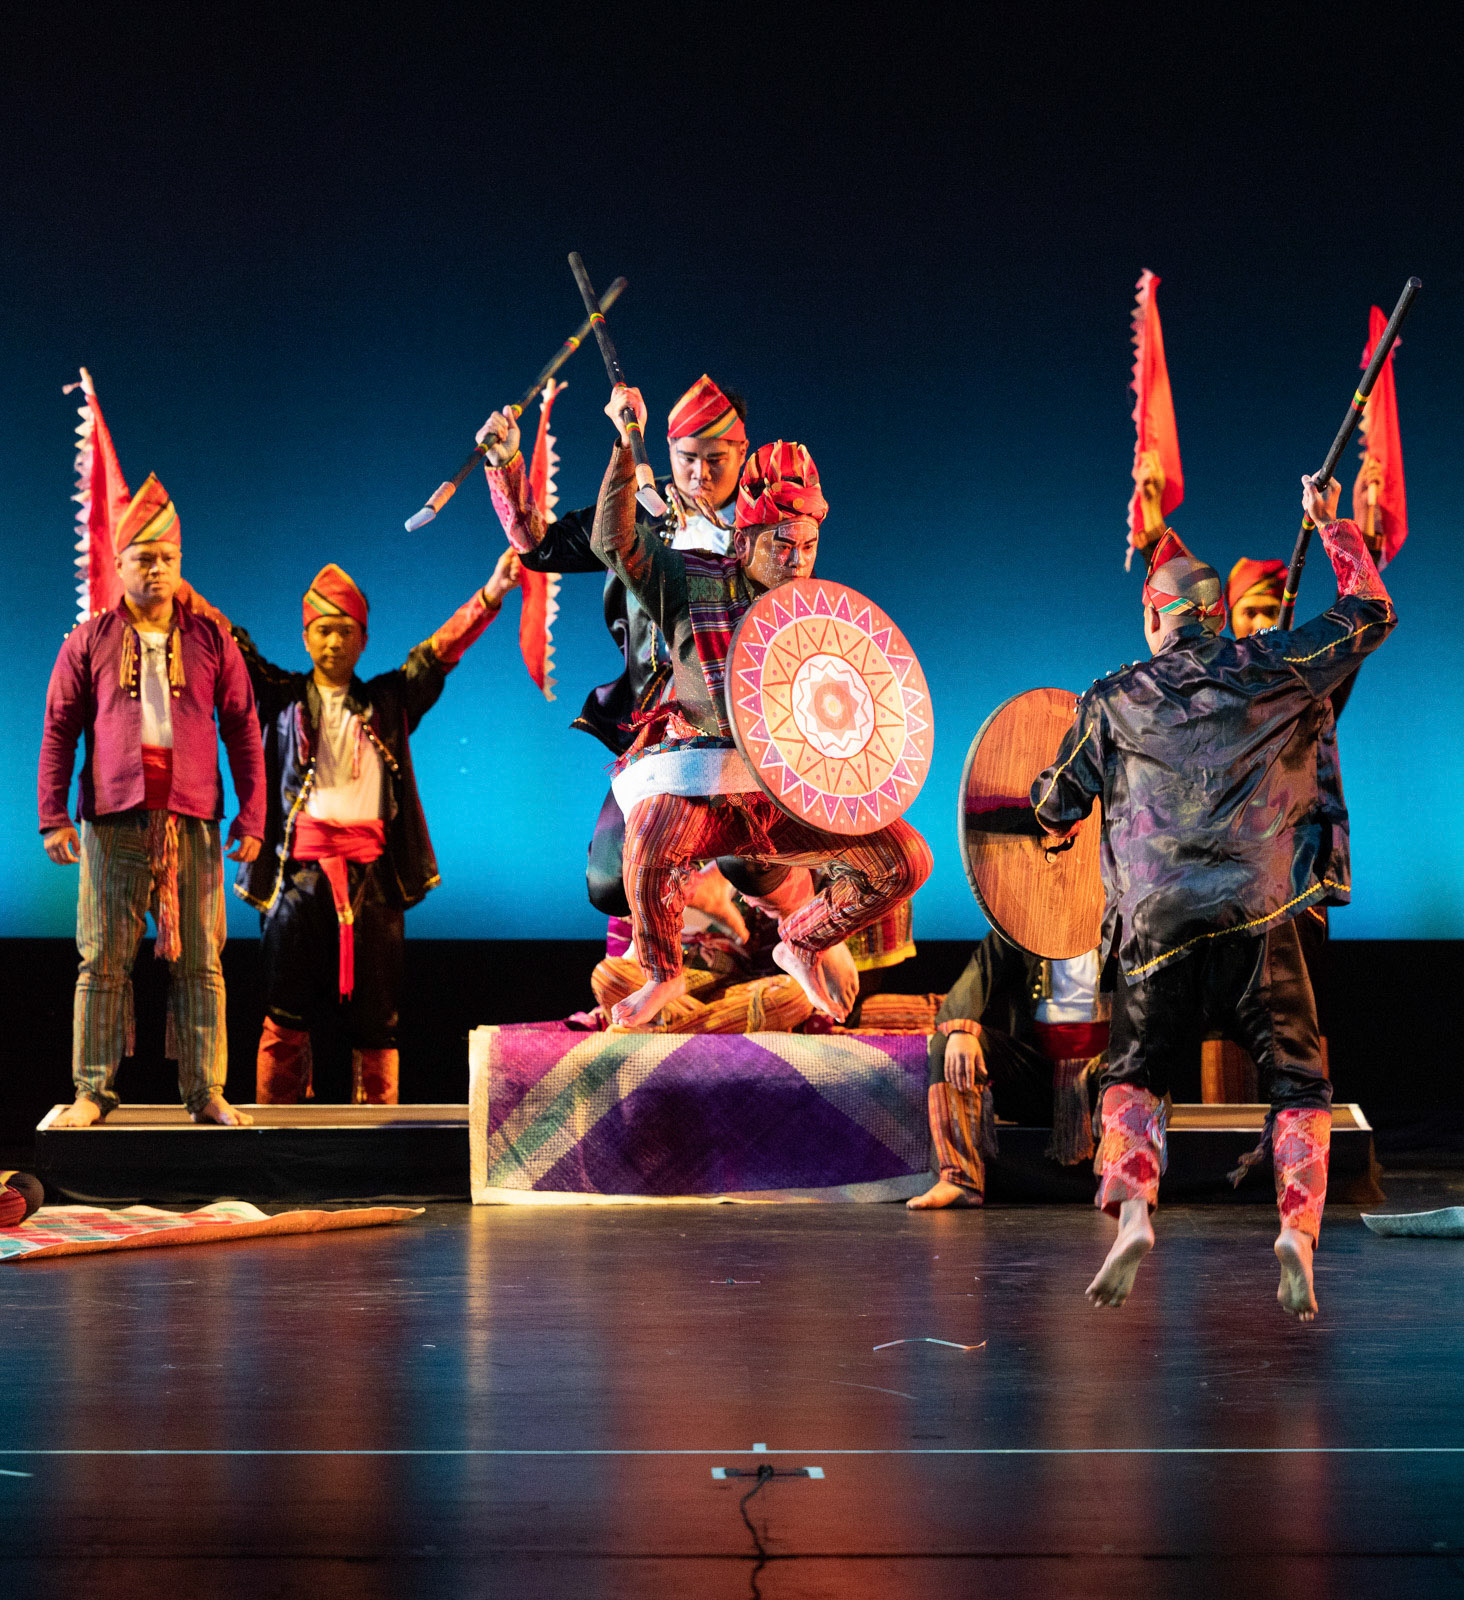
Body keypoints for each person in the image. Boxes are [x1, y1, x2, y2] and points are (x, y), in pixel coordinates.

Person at [1034, 475, 1395, 1321]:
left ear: (1156, 617)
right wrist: (1333, 525)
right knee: (1298, 1081)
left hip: (1155, 927)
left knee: (1134, 1074)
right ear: (1215, 614)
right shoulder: (1273, 666)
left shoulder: (1113, 697)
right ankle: (1297, 1232)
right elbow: (1372, 614)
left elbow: (1056, 800)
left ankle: (1134, 1213)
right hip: (1260, 917)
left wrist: (1043, 814)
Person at [587, 384, 932, 1029]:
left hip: (780, 799)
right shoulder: (688, 581)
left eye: (808, 545)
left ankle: (801, 941)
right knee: (646, 844)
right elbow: (613, 540)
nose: (798, 561)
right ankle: (663, 972)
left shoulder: (818, 614)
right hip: (701, 791)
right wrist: (624, 447)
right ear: (745, 540)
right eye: (781, 545)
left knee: (906, 861)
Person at [227, 551, 518, 1104]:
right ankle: (276, 1133)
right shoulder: (280, 697)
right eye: (323, 631)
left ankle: (377, 1132)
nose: (333, 642)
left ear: (363, 639)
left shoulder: (388, 700)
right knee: (285, 1011)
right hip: (297, 880)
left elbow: (437, 654)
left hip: (374, 882)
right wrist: (175, 591)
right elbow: (232, 645)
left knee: (378, 1019)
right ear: (306, 638)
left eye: (345, 631)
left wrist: (491, 594)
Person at [39, 475, 265, 1127]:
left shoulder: (211, 640)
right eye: (143, 558)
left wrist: (253, 816)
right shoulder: (89, 641)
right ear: (119, 563)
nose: (156, 569)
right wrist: (53, 816)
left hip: (192, 820)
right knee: (103, 960)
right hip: (113, 820)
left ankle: (206, 1091)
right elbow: (59, 728)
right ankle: (91, 1090)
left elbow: (243, 728)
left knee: (201, 962)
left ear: (180, 562)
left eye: (167, 557)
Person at [479, 375, 750, 915]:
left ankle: (779, 919)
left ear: (742, 454)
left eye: (715, 459)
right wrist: (506, 462)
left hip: (744, 721)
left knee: (754, 861)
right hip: (658, 723)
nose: (699, 474)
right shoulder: (636, 518)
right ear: (667, 450)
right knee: (609, 882)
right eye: (687, 458)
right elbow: (540, 548)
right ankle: (684, 911)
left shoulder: (763, 525)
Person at [906, 935, 1108, 1208]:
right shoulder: (1025, 929)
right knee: (952, 1037)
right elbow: (980, 972)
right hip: (1036, 1079)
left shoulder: (1125, 925)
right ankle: (960, 1178)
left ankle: (1119, 1179)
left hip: (1103, 1081)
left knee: (1128, 1069)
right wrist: (961, 1029)